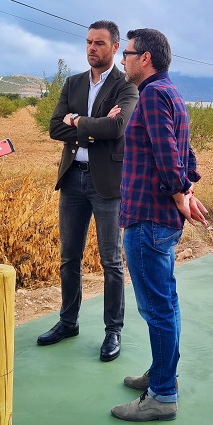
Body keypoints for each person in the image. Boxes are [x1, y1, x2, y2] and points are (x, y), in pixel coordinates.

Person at [111, 28, 208, 422]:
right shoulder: (171, 94)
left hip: (147, 217)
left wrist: (178, 192)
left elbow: (170, 158)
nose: (124, 60)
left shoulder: (151, 96)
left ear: (145, 57)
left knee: (157, 308)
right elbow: (187, 155)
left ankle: (162, 396)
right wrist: (185, 192)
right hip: (159, 218)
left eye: (128, 54)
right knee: (165, 302)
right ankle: (162, 374)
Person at [37, 20, 138, 362]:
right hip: (73, 181)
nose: (91, 48)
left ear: (114, 48)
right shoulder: (73, 82)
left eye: (99, 43)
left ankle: (113, 331)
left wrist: (77, 121)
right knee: (69, 258)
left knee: (111, 261)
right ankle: (68, 321)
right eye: (88, 42)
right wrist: (93, 129)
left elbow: (117, 126)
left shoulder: (126, 86)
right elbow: (53, 128)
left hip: (107, 184)